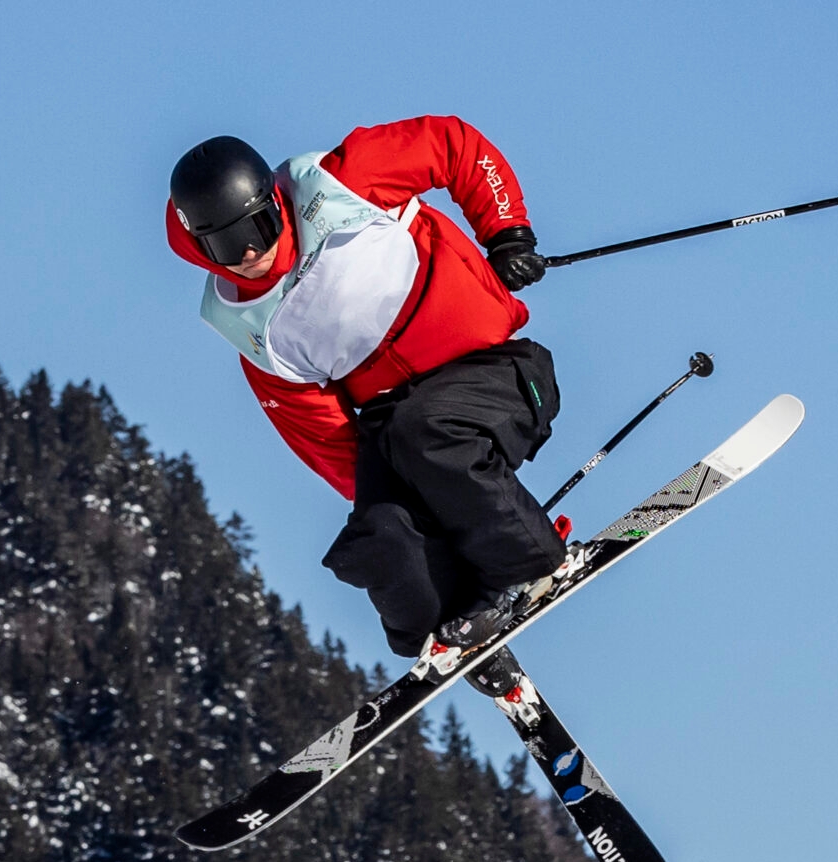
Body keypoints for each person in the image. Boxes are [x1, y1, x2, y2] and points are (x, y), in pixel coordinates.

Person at [165, 117, 577, 661]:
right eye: (224, 244)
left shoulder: (340, 183)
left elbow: (453, 146)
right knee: (382, 539)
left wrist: (505, 231)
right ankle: (452, 639)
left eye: (256, 229)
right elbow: (329, 440)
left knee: (425, 430)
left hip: (497, 373)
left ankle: (533, 565)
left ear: (277, 204)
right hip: (399, 424)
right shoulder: (251, 326)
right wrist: (400, 510)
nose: (246, 254)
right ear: (199, 247)